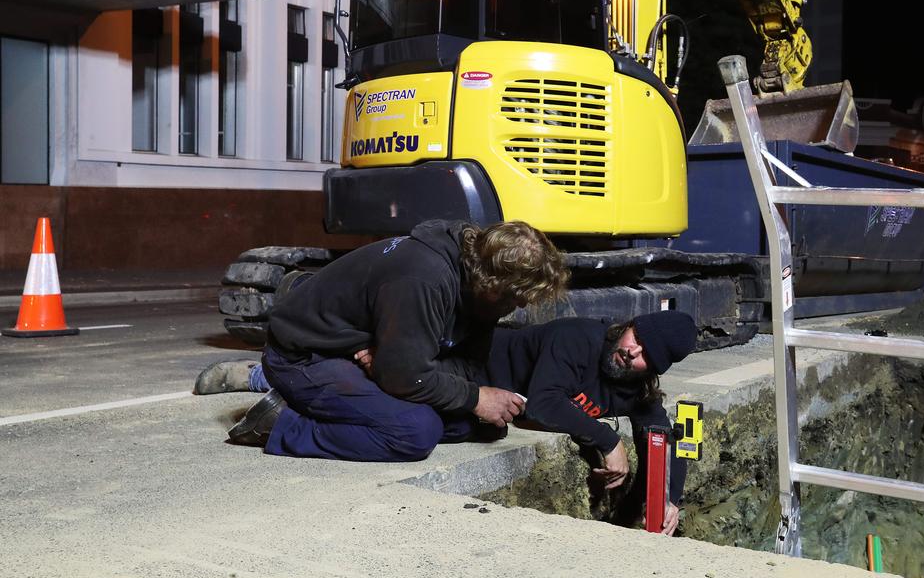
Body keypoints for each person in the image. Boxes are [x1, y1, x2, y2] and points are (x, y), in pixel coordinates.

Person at [196, 219, 567, 462]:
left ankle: (359, 403)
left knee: (486, 426)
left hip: (365, 360)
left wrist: (397, 366)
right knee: (415, 432)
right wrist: (466, 394)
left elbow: (468, 365)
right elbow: (408, 377)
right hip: (307, 357)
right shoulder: (424, 277)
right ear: (492, 284)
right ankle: (282, 424)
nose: (516, 307)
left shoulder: (481, 288)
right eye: (515, 298)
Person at [486, 311, 698, 535]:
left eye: (646, 355)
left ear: (652, 369)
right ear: (628, 326)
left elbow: (662, 435)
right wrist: (609, 441)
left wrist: (670, 499)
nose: (631, 352)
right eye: (636, 338)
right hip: (472, 370)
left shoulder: (635, 384)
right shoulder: (576, 337)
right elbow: (543, 403)